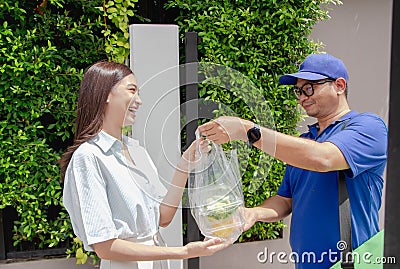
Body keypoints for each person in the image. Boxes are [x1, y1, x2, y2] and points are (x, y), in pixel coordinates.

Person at [198, 53, 388, 268]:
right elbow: (285, 200)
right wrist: (252, 213)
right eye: (298, 91)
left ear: (339, 85)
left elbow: (324, 158)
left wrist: (247, 130)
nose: (302, 97)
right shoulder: (305, 142)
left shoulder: (369, 127)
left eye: (309, 88)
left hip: (353, 263)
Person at [60, 61, 229, 269]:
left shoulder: (136, 151)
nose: (139, 101)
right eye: (132, 90)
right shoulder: (88, 157)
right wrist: (183, 252)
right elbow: (104, 246)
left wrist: (185, 164)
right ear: (105, 94)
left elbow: (162, 217)